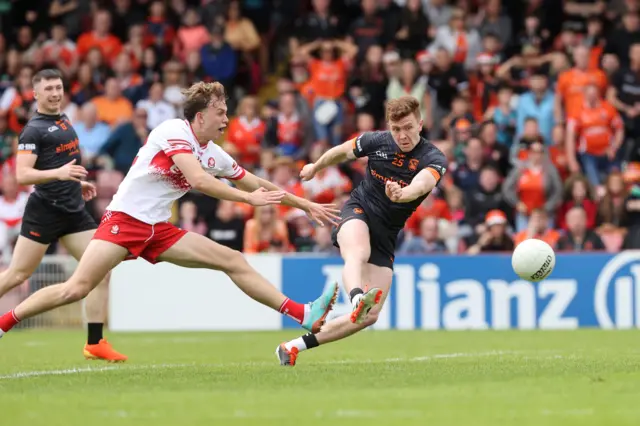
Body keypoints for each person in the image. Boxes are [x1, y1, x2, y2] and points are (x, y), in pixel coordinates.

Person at [0, 81, 342, 348]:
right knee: (75, 289)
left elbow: (258, 182)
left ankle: (303, 313)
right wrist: (247, 200)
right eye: (221, 112)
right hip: (124, 221)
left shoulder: (215, 153)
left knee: (233, 259)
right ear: (200, 116)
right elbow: (199, 181)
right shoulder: (172, 131)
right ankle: (5, 323)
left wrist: (305, 204)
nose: (226, 119)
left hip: (158, 229)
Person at [276, 95, 447, 366]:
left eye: (408, 127)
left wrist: (402, 194)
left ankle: (292, 347)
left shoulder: (433, 157)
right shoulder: (376, 141)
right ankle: (356, 296)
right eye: (396, 129)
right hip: (358, 210)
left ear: (421, 124)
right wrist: (316, 166)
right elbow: (342, 151)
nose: (402, 135)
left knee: (370, 316)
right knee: (358, 251)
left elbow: (422, 185)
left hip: (388, 233)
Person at [0, 69, 126, 362]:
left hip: (73, 210)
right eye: (49, 89)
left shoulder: (64, 119)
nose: (55, 93)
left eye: (58, 87)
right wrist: (59, 174)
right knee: (19, 274)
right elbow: (22, 174)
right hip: (45, 211)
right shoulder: (33, 129)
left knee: (102, 270)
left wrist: (75, 182)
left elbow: (59, 162)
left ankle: (95, 342)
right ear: (36, 94)